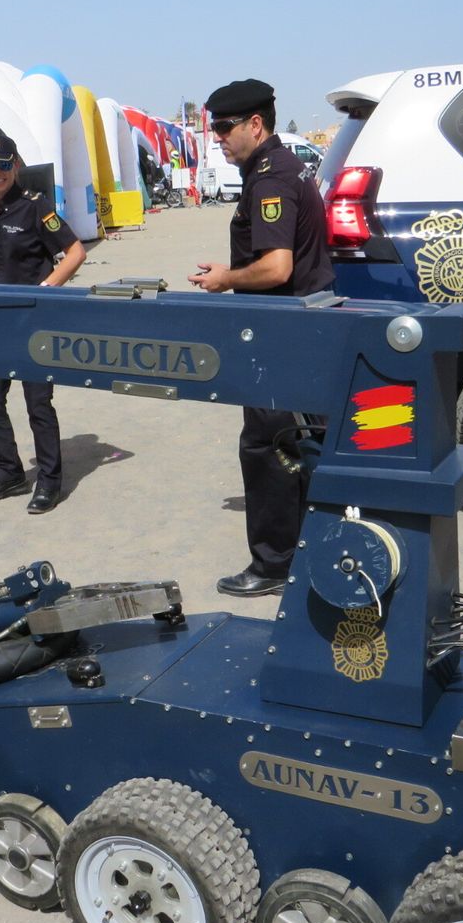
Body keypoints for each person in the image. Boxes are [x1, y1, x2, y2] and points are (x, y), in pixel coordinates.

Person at [187, 79, 334, 596]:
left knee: (269, 448)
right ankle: (315, 556)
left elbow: (275, 267)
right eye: (213, 129)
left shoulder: (271, 179)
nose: (218, 138)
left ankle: (273, 567)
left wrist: (226, 279)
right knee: (301, 447)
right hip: (298, 328)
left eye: (226, 128)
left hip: (283, 334)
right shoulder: (269, 173)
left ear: (256, 124)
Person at [0, 135, 86, 514]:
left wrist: (49, 287)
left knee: (38, 403)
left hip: (34, 322)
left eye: (4, 164)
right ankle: (9, 472)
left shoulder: (36, 208)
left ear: (16, 165)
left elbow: (75, 251)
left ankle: (49, 482)